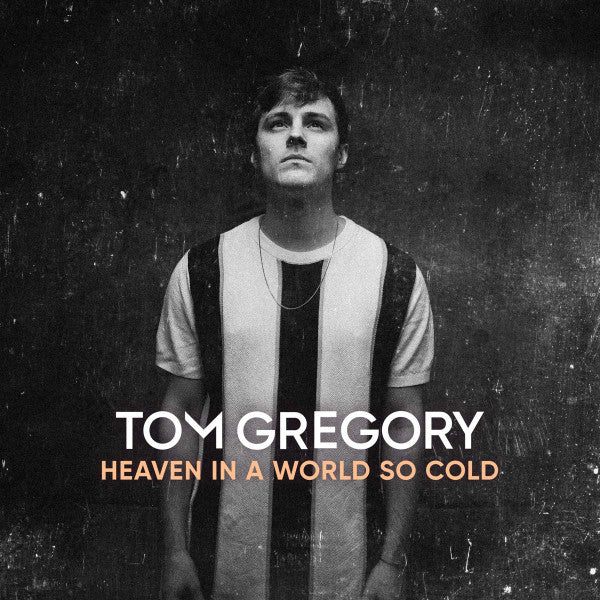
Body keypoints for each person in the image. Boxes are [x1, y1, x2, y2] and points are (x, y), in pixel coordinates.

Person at [156, 68, 434, 600]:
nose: (297, 135)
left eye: (316, 123)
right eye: (278, 123)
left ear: (341, 154)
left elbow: (405, 425)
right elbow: (180, 415)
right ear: (254, 153)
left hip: (349, 577)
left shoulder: (394, 276)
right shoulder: (201, 270)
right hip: (225, 574)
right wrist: (174, 552)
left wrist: (392, 561)